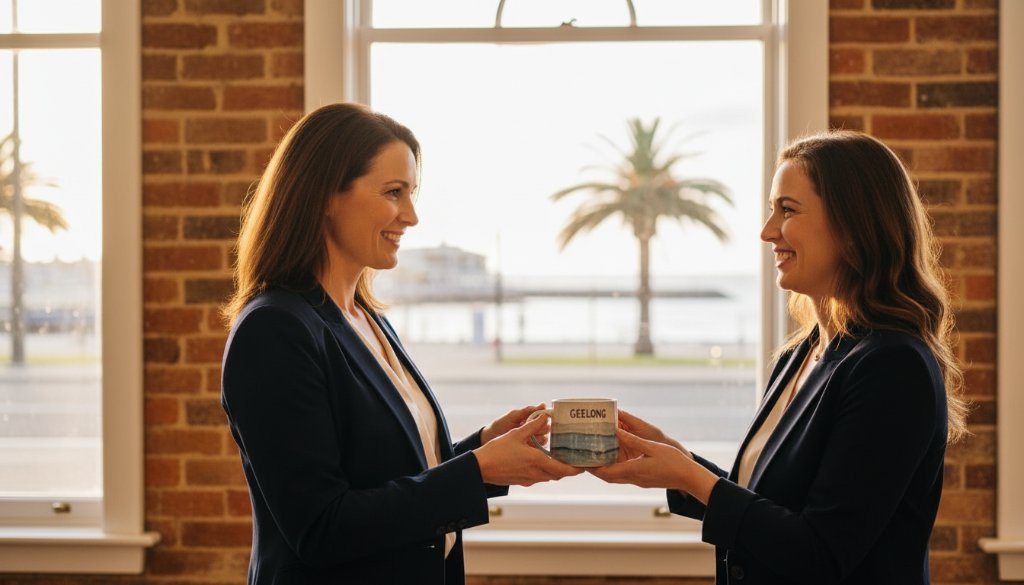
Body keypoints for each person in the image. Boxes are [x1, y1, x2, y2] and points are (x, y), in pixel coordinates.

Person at [220, 102, 581, 585]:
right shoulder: (274, 330)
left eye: (411, 193)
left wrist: (482, 450)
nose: (411, 216)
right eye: (394, 193)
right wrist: (476, 470)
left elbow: (394, 471)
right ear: (325, 195)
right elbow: (321, 528)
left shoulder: (365, 319)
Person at [591, 130, 969, 584]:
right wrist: (675, 462)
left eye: (787, 210)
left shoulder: (893, 367)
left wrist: (691, 477)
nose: (767, 231)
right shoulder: (803, 352)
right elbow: (767, 504)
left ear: (853, 226)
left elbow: (820, 555)